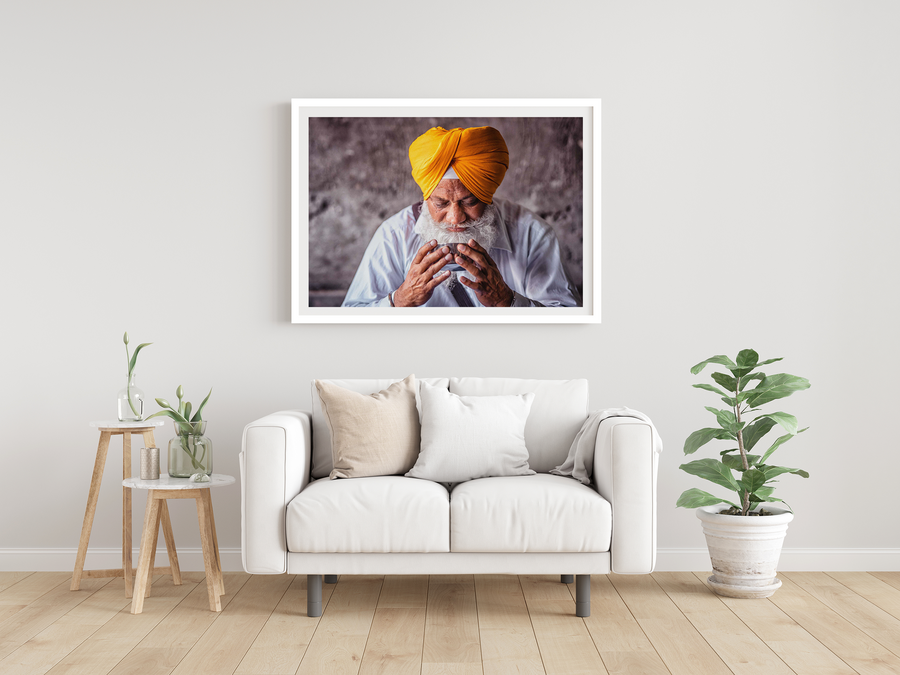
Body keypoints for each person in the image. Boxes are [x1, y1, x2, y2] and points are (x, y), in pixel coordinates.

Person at [341, 125, 582, 308]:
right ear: (426, 197)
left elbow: (566, 325)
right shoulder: (394, 235)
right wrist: (399, 300)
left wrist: (507, 302)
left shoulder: (532, 234)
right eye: (441, 203)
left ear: (487, 195)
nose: (455, 218)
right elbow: (349, 324)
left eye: (470, 201)